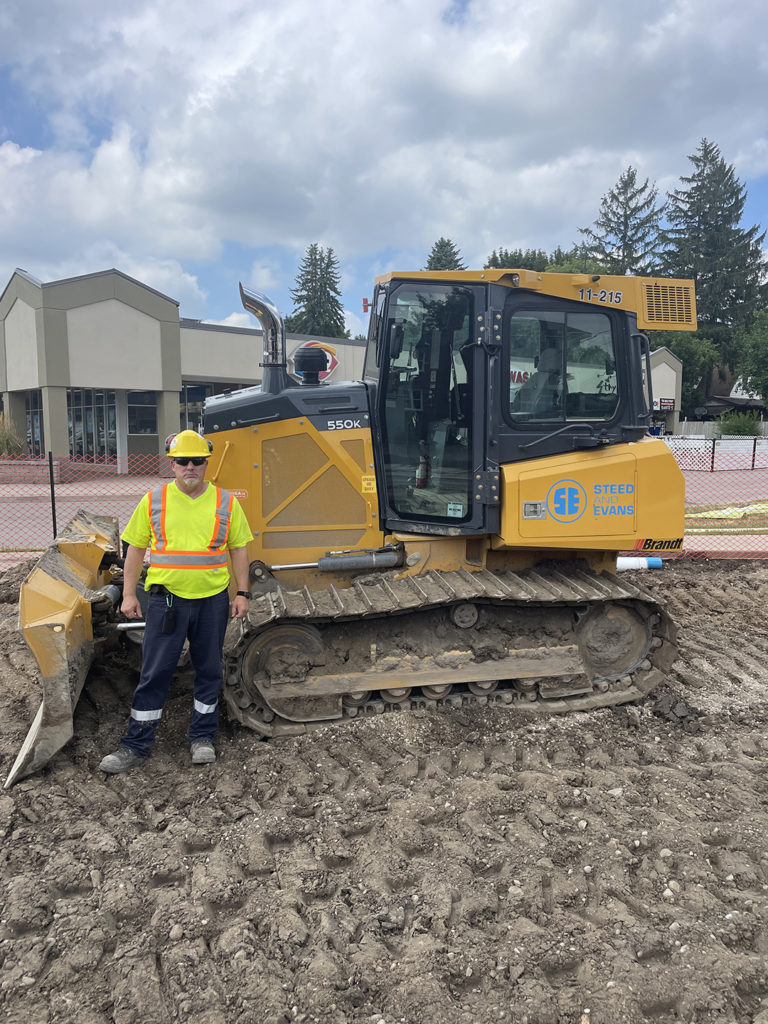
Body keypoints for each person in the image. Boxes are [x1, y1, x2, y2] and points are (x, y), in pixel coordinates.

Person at [99, 430, 253, 773]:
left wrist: (242, 593)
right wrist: (127, 593)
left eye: (197, 460)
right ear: (172, 464)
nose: (190, 467)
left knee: (209, 671)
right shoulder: (154, 500)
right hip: (166, 602)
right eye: (183, 461)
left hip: (212, 601)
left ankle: (202, 738)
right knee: (155, 672)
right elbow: (135, 548)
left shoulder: (226, 502)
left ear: (206, 464)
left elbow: (239, 547)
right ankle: (136, 745)